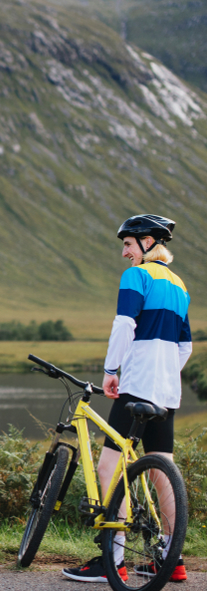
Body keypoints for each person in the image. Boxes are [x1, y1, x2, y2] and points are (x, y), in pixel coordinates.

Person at [63, 215, 191, 584]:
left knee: (109, 468)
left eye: (128, 245)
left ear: (148, 242)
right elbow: (186, 346)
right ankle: (172, 556)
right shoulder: (179, 284)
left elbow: (124, 324)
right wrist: (164, 369)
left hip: (136, 383)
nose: (124, 253)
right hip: (167, 389)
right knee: (161, 469)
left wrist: (111, 370)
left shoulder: (138, 275)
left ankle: (113, 558)